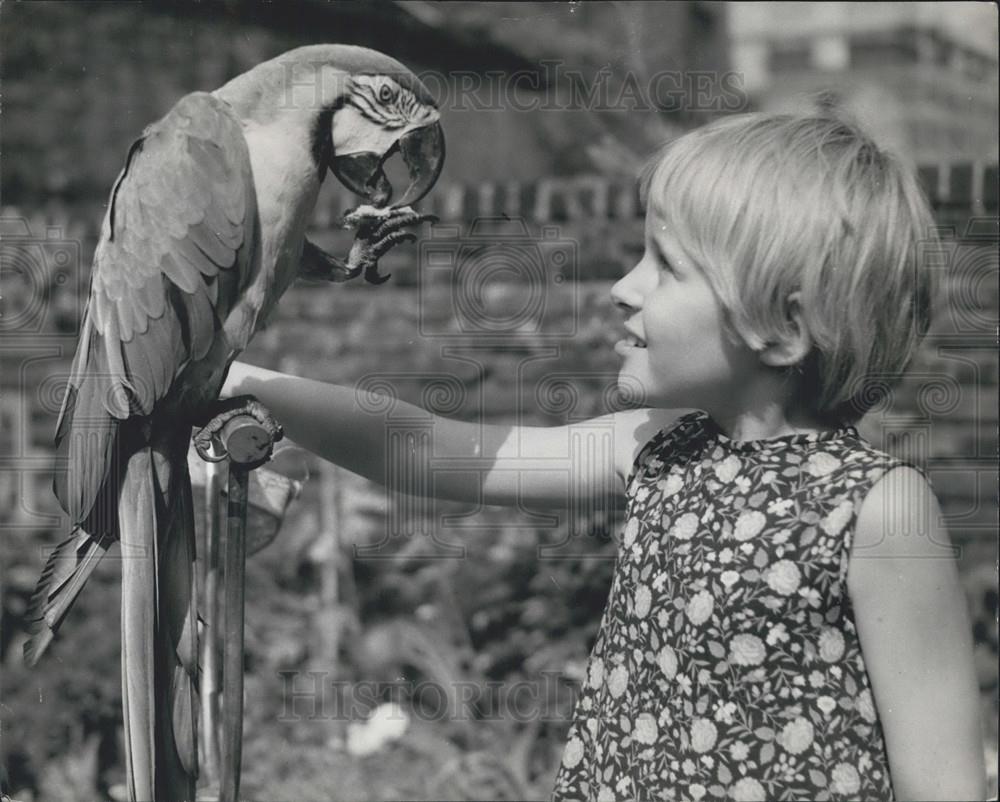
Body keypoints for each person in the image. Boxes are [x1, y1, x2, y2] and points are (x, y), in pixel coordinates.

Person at [221, 112, 986, 801]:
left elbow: (943, 782)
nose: (624, 288)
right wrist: (240, 381)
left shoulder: (877, 508)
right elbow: (431, 450)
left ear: (782, 328)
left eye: (667, 266)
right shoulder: (657, 448)